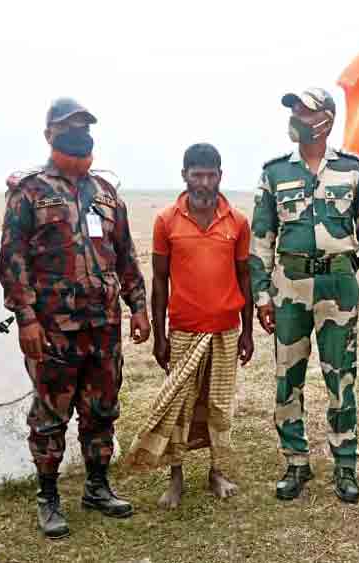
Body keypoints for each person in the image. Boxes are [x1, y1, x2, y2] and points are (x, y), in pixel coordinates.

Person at [0, 97, 150, 539]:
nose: (78, 133)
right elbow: (13, 260)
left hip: (103, 327)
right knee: (50, 417)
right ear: (48, 134)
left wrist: (138, 305)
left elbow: (125, 255)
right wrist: (25, 317)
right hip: (53, 331)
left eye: (84, 126)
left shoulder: (105, 192)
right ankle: (48, 496)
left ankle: (97, 487)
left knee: (102, 410)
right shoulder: (30, 192)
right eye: (68, 127)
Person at [250, 87, 359, 504]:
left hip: (338, 287)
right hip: (290, 287)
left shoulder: (352, 171)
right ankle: (295, 462)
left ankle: (345, 463)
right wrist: (261, 294)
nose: (295, 117)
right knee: (286, 378)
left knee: (341, 378)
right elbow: (261, 238)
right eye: (292, 110)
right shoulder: (274, 172)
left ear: (325, 119)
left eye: (303, 111)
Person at [125, 143, 254, 509]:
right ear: (184, 176)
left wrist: (246, 332)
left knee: (218, 404)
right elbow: (160, 281)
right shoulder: (166, 220)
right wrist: (160, 335)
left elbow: (245, 277)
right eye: (197, 174)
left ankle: (217, 472)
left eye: (210, 174)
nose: (204, 182)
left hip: (226, 330)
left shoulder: (238, 221)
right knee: (179, 405)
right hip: (183, 330)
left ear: (220, 176)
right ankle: (176, 477)